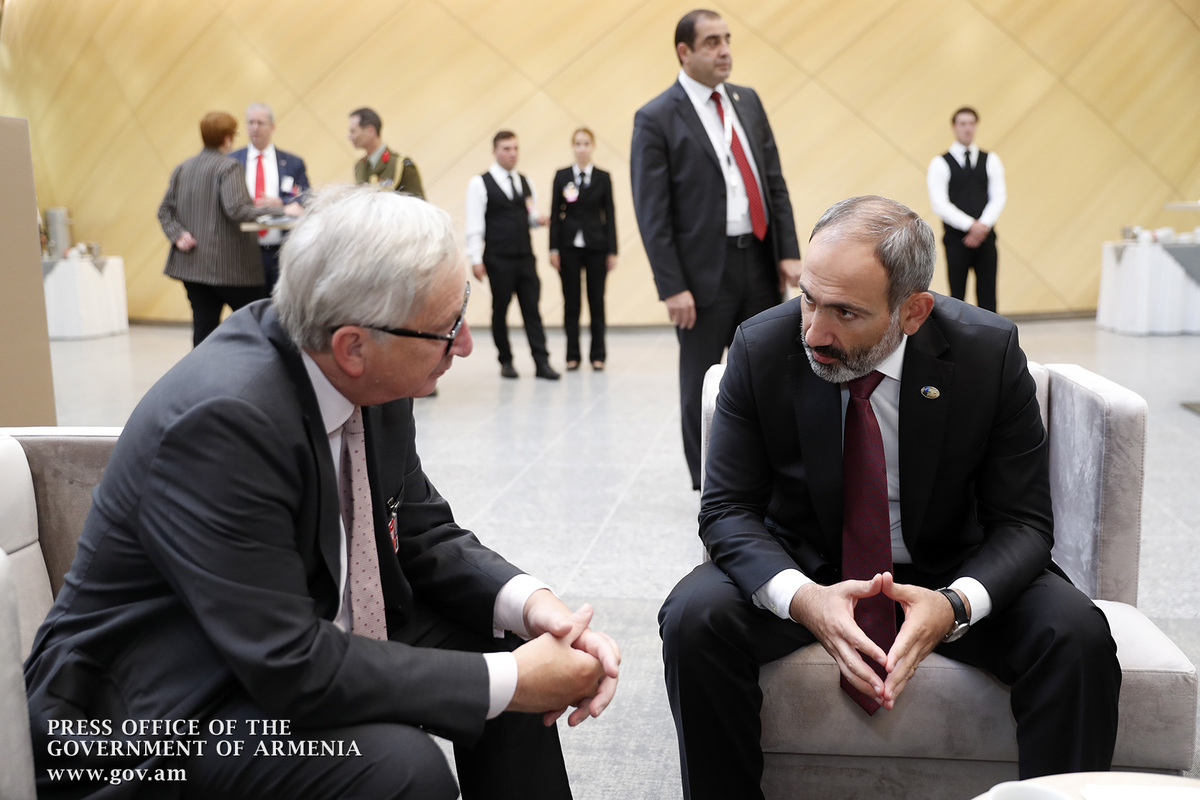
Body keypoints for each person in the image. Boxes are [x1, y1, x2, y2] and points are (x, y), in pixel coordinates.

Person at [24, 188, 620, 800]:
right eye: (447, 328)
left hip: (290, 634)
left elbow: (419, 529)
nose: (465, 343)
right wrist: (509, 680)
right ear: (353, 346)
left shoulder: (374, 374)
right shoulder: (226, 420)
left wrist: (534, 607)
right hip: (163, 709)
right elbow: (287, 660)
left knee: (513, 655)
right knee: (402, 768)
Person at [658, 196, 1121, 800]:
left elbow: (1023, 521)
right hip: (809, 562)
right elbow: (726, 509)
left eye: (845, 313)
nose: (815, 333)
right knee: (694, 617)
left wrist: (955, 605)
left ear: (913, 311)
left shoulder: (988, 353)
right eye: (809, 299)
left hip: (950, 565)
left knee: (1077, 635)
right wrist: (804, 599)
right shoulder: (761, 345)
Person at [631, 8, 802, 490]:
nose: (725, 50)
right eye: (712, 42)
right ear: (684, 52)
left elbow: (773, 181)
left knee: (770, 369)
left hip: (760, 259)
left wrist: (788, 250)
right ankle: (708, 483)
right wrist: (672, 285)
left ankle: (771, 473)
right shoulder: (656, 117)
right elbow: (652, 212)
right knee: (702, 380)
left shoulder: (748, 101)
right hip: (701, 274)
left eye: (727, 39)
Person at [158, 111, 286, 347]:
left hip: (192, 268)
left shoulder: (183, 167)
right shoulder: (229, 167)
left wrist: (178, 235)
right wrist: (279, 209)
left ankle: (203, 369)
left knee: (203, 330)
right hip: (231, 269)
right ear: (227, 138)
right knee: (259, 325)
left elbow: (164, 210)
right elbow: (237, 210)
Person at [466, 130, 559, 380]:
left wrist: (538, 220)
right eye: (506, 149)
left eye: (515, 148)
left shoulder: (524, 181)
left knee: (532, 311)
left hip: (525, 257)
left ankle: (542, 362)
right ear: (495, 151)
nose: (512, 153)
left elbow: (529, 214)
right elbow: (475, 224)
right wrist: (475, 259)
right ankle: (506, 361)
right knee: (500, 310)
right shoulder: (480, 183)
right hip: (498, 258)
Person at [549, 128, 618, 371]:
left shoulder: (603, 177)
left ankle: (598, 354)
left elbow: (610, 215)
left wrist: (612, 250)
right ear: (572, 146)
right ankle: (572, 355)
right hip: (568, 247)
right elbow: (555, 214)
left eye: (586, 143)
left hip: (597, 246)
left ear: (593, 146)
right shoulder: (562, 176)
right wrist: (553, 248)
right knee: (571, 303)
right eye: (577, 143)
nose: (582, 148)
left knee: (596, 301)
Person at [926, 106, 1006, 312]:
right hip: (956, 240)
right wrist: (971, 226)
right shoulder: (940, 163)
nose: (967, 128)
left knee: (988, 295)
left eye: (971, 123)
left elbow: (998, 197)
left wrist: (982, 227)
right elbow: (940, 204)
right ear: (954, 127)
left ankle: (989, 333)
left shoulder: (991, 160)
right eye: (962, 124)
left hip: (986, 239)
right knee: (956, 297)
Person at [229, 102, 309, 294]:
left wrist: (281, 203)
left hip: (280, 249)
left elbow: (305, 197)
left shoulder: (292, 162)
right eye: (250, 123)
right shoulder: (231, 161)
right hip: (243, 250)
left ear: (272, 126)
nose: (254, 128)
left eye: (260, 123)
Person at [349, 107, 425, 197]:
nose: (349, 137)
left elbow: (418, 202)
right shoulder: (360, 166)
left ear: (370, 131)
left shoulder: (401, 163)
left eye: (353, 131)